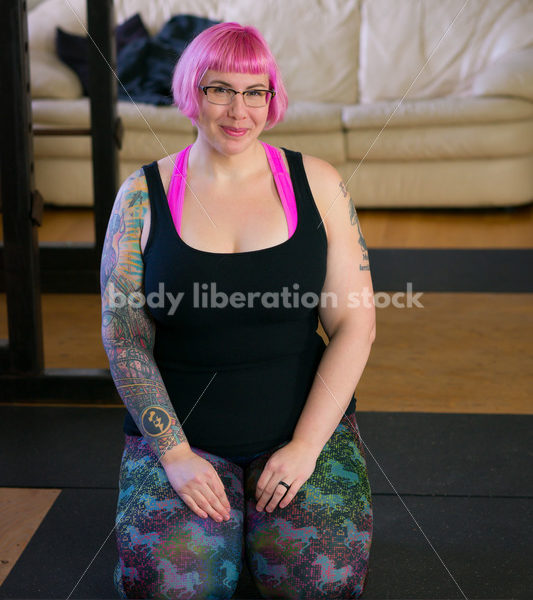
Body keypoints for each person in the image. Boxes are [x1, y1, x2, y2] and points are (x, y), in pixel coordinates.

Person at [101, 21, 375, 600]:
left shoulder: (320, 184)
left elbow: (355, 324)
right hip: (184, 434)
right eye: (218, 88)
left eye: (255, 92)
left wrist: (305, 447)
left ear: (271, 100)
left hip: (300, 428)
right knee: (174, 588)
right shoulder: (141, 195)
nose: (238, 109)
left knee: (320, 584)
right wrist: (174, 455)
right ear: (190, 92)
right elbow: (124, 337)